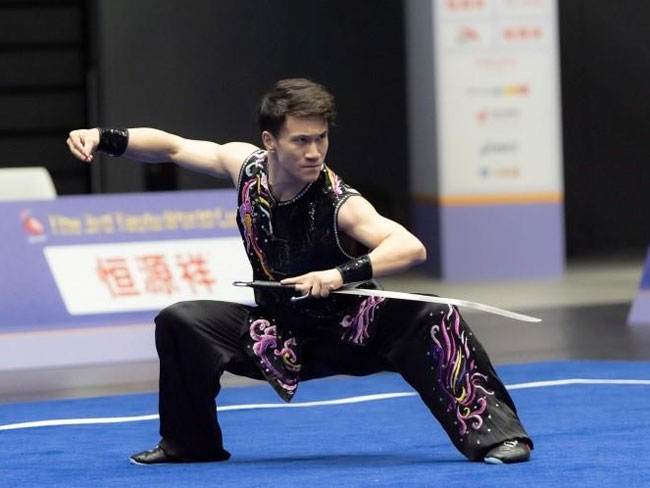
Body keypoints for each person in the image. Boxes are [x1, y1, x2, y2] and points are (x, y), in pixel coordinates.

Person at [66, 78, 533, 465]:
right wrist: (103, 137)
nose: (314, 152)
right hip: (279, 333)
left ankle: (498, 437)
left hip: (352, 332)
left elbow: (410, 247)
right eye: (301, 141)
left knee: (433, 314)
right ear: (270, 141)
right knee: (181, 320)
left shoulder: (340, 202)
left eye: (321, 139)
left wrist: (338, 275)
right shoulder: (244, 167)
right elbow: (172, 147)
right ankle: (190, 443)